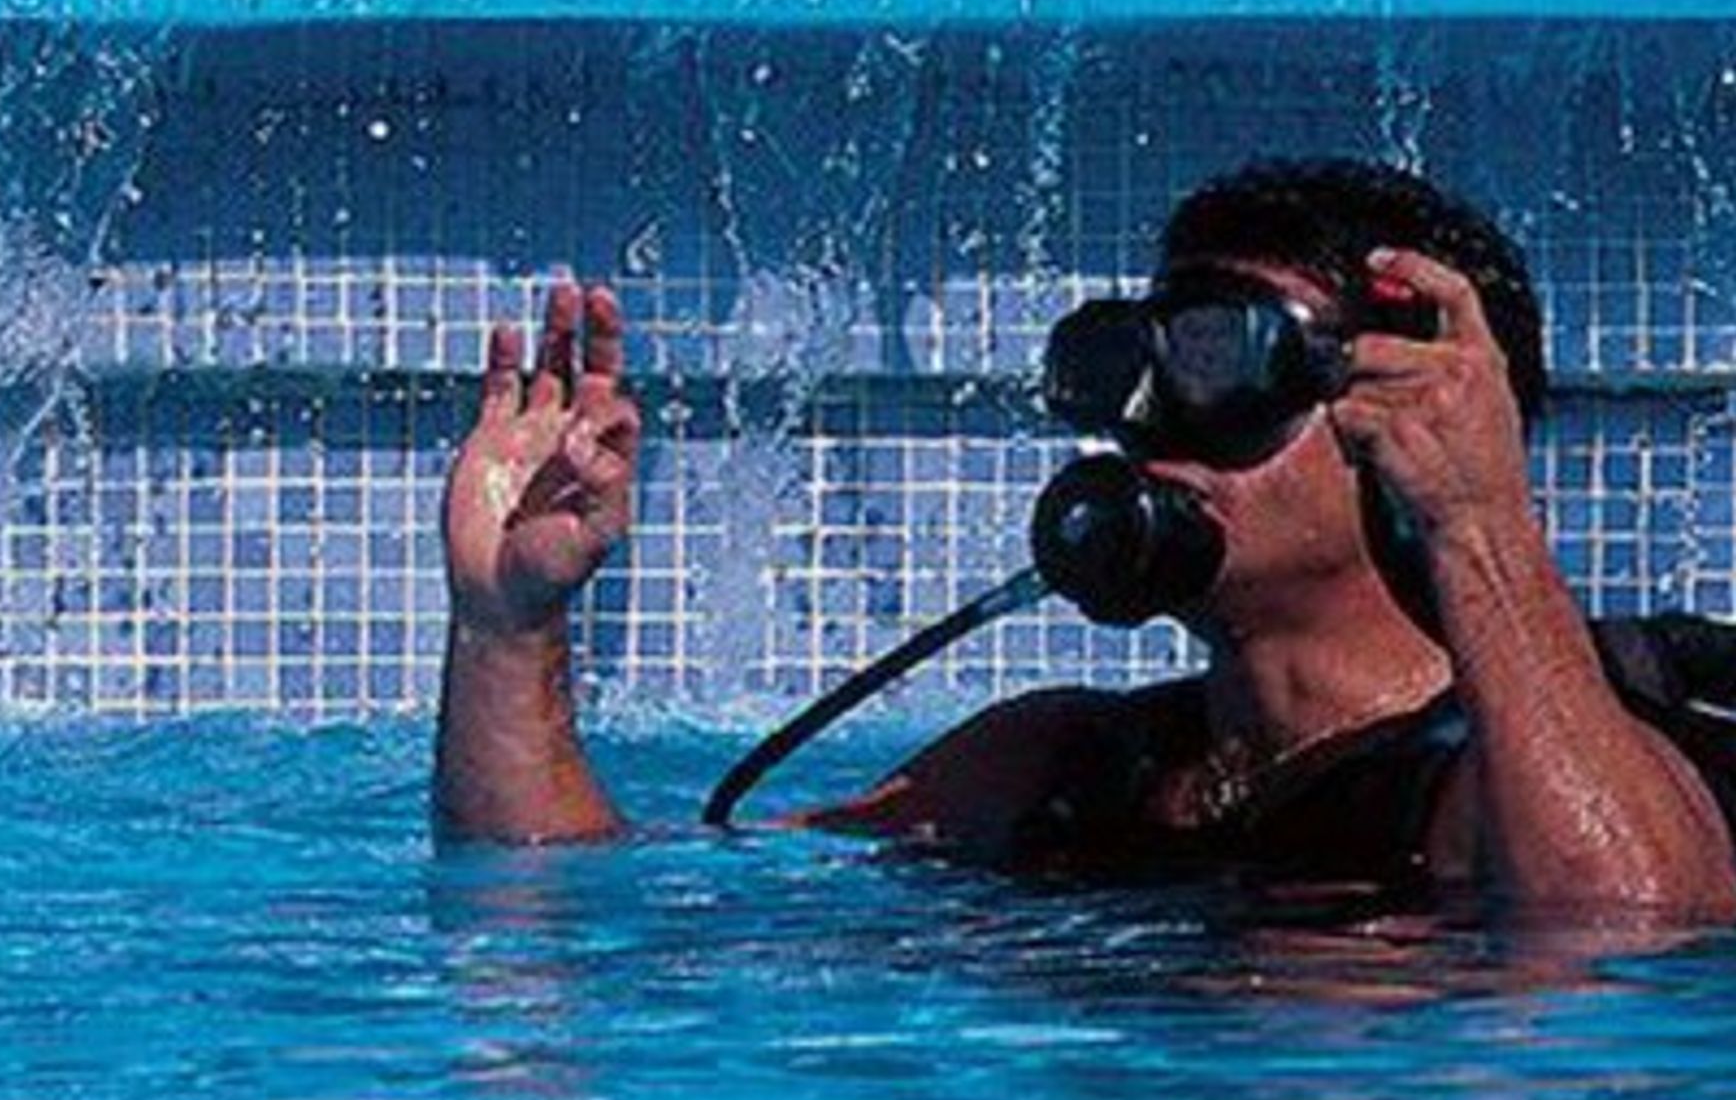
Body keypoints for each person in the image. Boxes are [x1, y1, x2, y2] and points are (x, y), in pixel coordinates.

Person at [429, 158, 1736, 922]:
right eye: (1137, 360)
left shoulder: (1503, 782)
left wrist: (1480, 521)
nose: (1154, 424)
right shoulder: (1059, 762)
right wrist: (508, 627)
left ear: (1408, 421)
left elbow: (1621, 941)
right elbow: (577, 907)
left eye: (1221, 360)